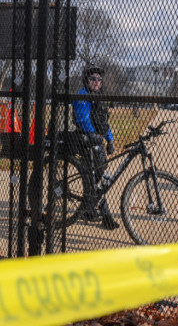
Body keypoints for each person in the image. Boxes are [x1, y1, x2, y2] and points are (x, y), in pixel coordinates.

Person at [72, 64, 119, 230]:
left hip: (96, 140)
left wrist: (110, 139)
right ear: (87, 80)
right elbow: (83, 120)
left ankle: (89, 209)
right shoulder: (82, 96)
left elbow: (103, 123)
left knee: (96, 177)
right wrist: (96, 137)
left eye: (99, 79)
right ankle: (106, 216)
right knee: (97, 179)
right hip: (87, 140)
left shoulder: (99, 97)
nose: (97, 82)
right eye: (93, 79)